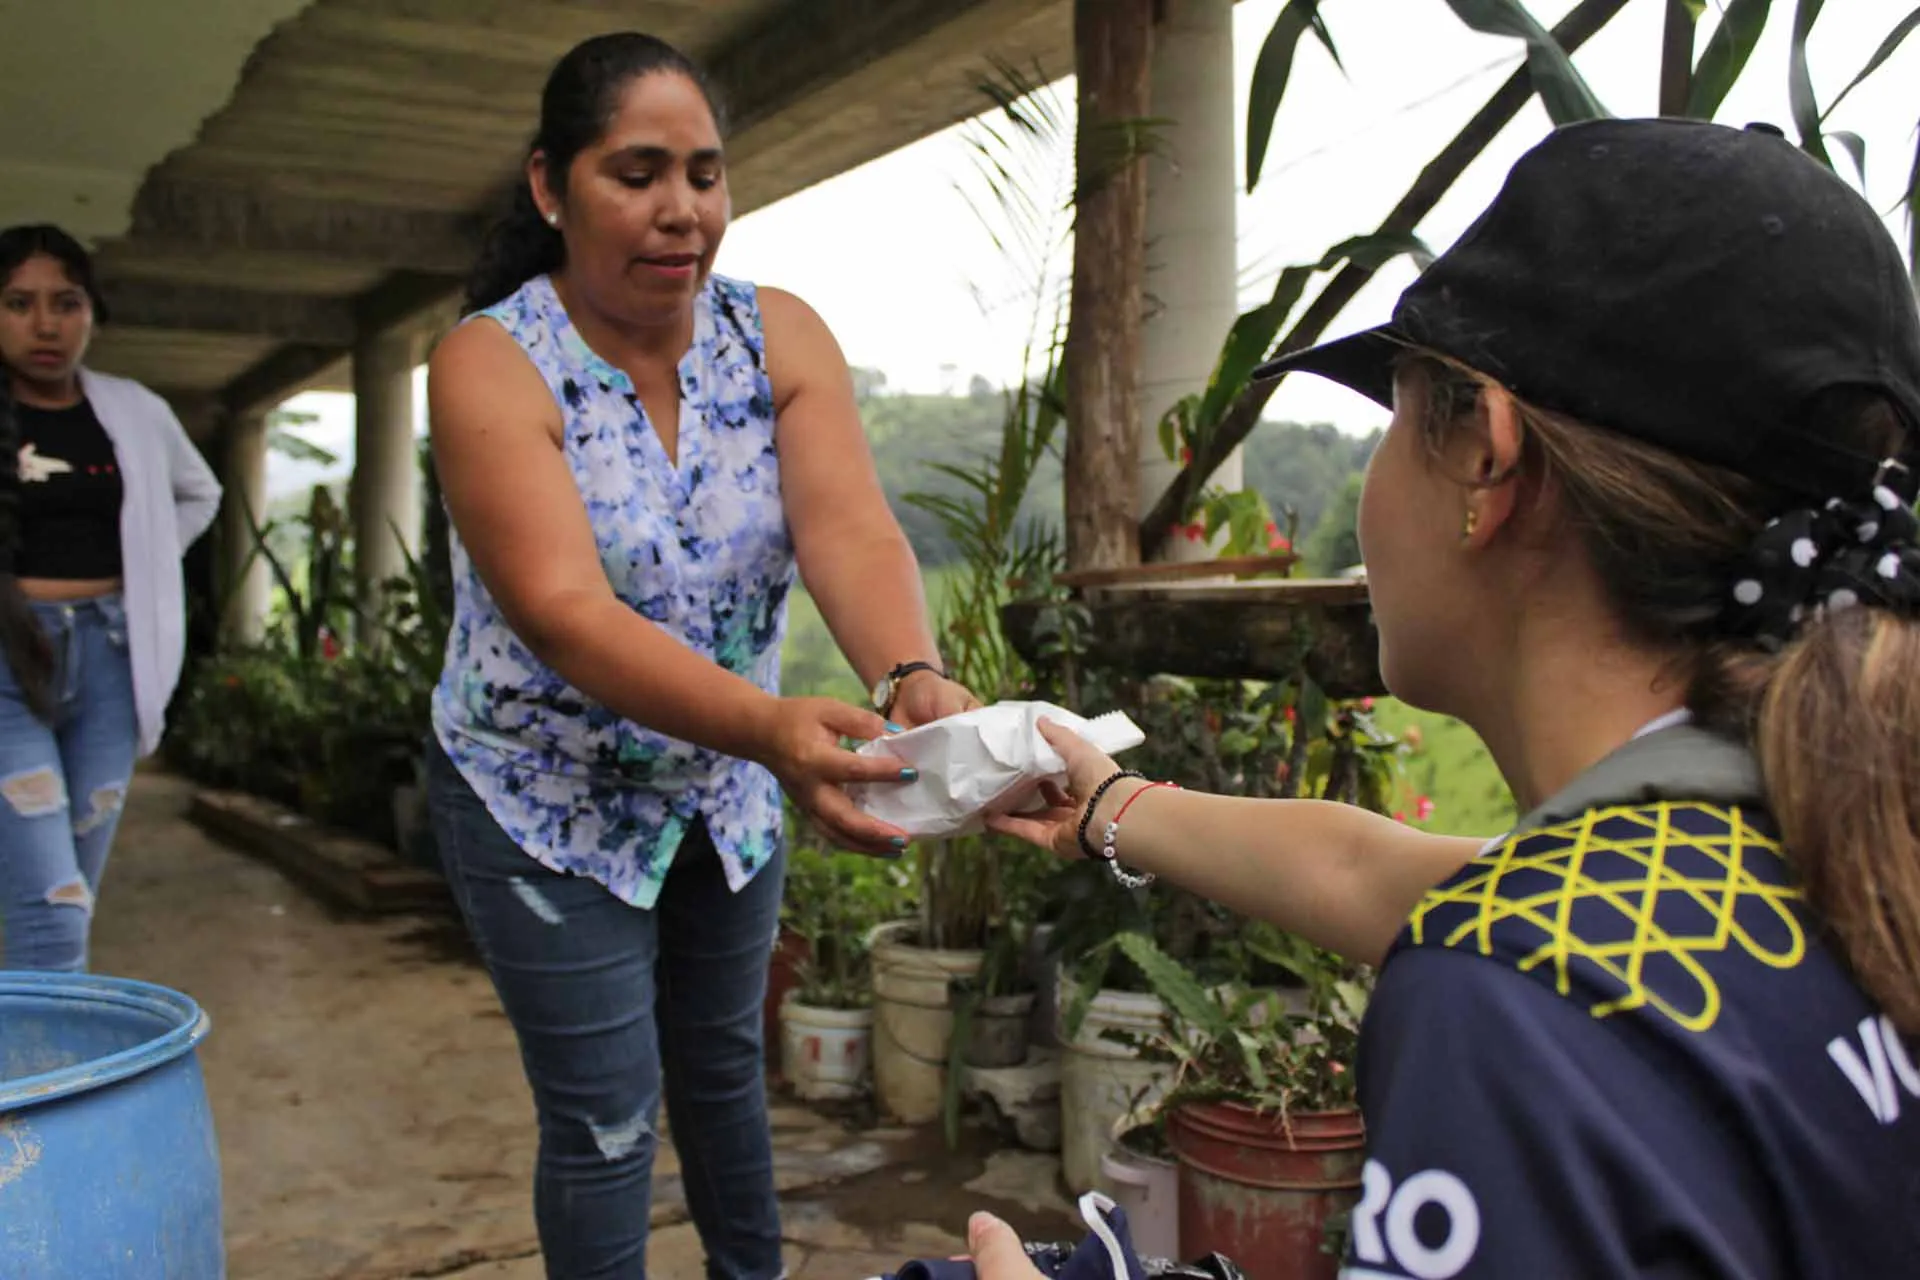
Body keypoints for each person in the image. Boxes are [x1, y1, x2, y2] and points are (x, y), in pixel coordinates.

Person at [985, 119, 1920, 1278]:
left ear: (1484, 448)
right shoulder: (1824, 847)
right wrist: (1107, 803)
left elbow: (1479, 929)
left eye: (1394, 409)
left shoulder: (1523, 999)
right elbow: (1371, 873)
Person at [424, 31, 977, 1280]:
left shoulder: (774, 337)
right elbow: (564, 607)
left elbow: (846, 523)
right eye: (637, 172)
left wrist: (910, 676)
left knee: (724, 1067)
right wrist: (777, 730)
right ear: (550, 187)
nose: (683, 210)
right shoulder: (488, 363)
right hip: (541, 802)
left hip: (724, 793)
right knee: (609, 1120)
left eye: (705, 173)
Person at [0, 224, 222, 972]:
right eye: (19, 303)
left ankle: (36, 1077)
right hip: (8, 664)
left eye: (66, 303)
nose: (45, 324)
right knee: (51, 913)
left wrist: (150, 565)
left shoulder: (134, 410)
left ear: (92, 313)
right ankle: (50, 1087)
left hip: (111, 664)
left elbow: (199, 494)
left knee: (70, 906)